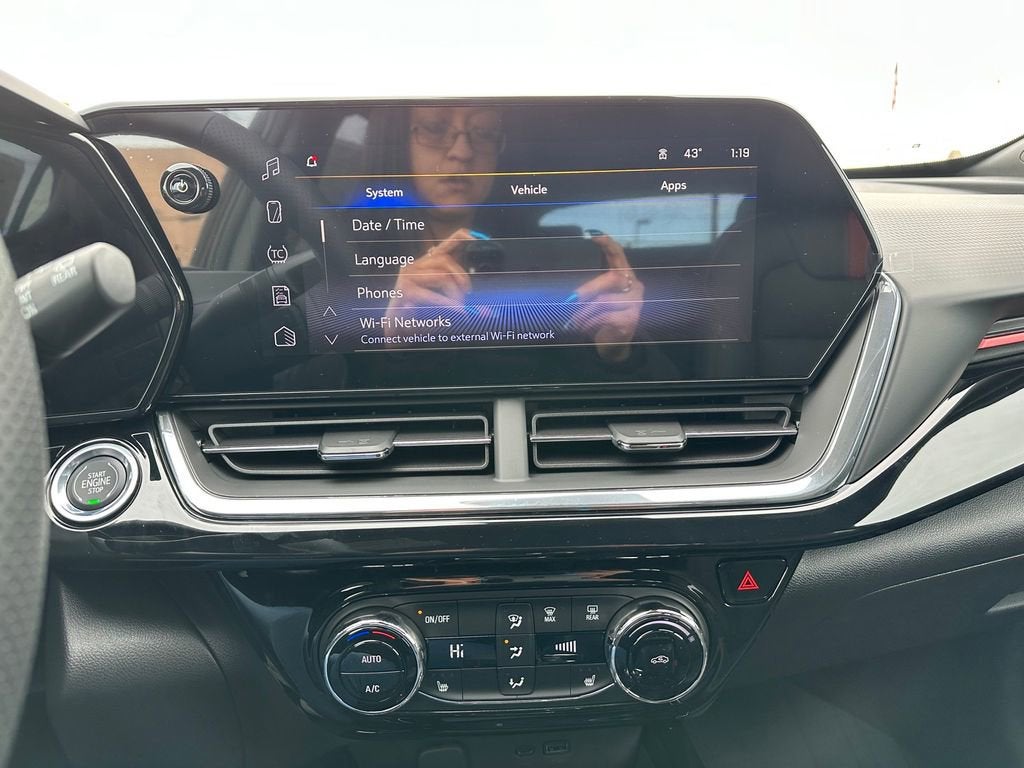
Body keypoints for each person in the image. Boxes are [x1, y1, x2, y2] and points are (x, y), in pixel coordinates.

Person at [377, 105, 645, 362]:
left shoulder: (551, 264)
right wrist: (395, 348)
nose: (463, 151)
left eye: (485, 132)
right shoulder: (355, 262)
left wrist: (617, 353)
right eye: (435, 128)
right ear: (397, 143)